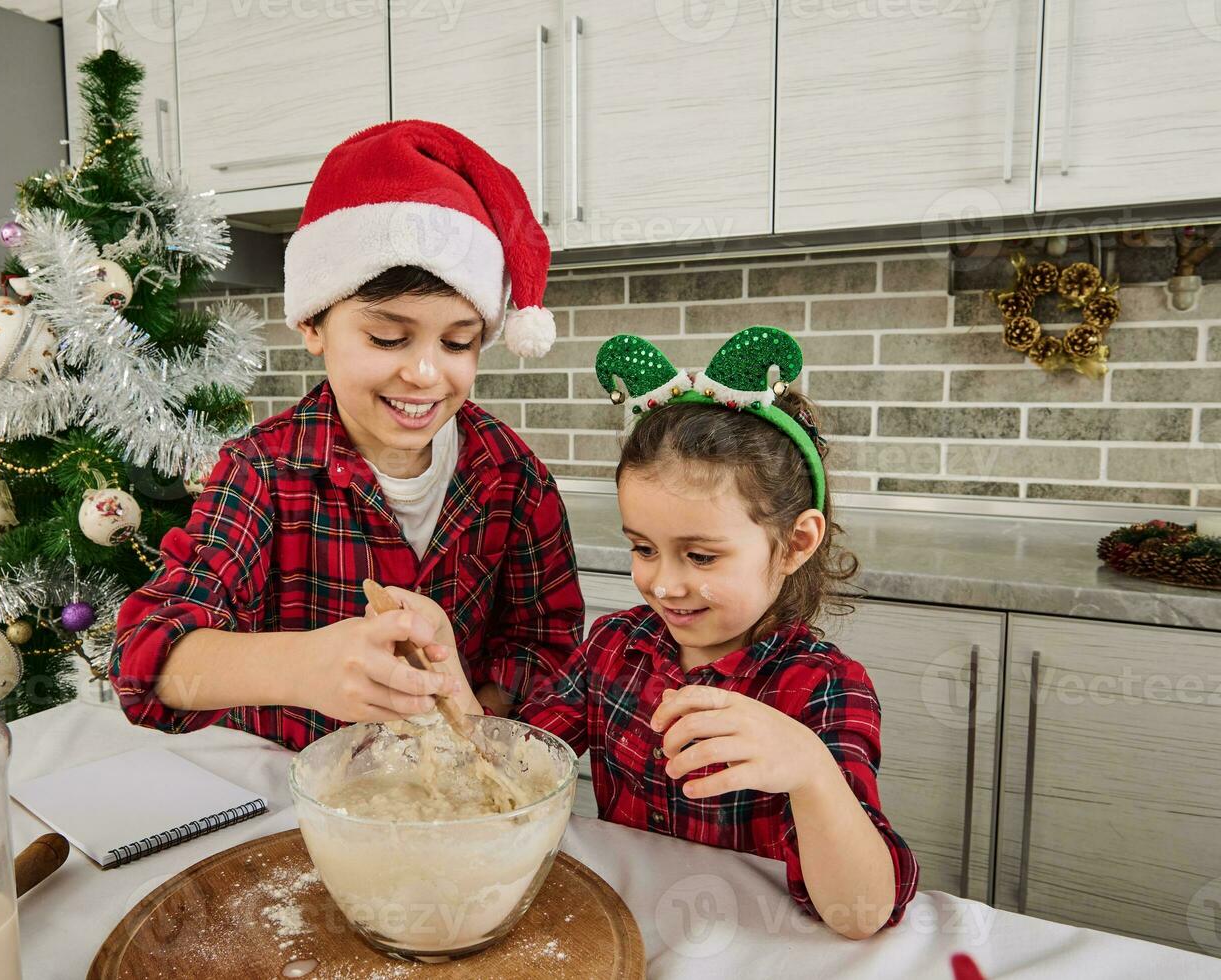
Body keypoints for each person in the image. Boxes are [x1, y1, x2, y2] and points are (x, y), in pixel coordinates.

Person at [389, 327, 919, 938]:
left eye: (700, 557)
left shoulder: (824, 687)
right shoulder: (616, 647)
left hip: (754, 948)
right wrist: (444, 671)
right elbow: (509, 765)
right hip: (624, 930)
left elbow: (863, 912)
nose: (664, 584)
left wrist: (811, 771)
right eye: (643, 548)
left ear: (795, 543)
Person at [109, 120, 584, 749]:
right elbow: (146, 658)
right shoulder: (263, 471)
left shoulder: (512, 475)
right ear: (313, 324)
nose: (423, 373)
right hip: (292, 798)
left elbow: (548, 647)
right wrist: (307, 666)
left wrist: (467, 710)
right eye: (387, 338)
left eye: (458, 342)